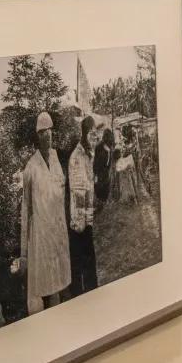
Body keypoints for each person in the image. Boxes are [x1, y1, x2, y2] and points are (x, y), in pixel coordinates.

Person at [19, 111, 71, 311]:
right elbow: (26, 209)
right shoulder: (31, 168)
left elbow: (61, 195)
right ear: (37, 136)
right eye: (42, 132)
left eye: (49, 130)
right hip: (40, 237)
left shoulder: (57, 160)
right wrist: (23, 252)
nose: (47, 135)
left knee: (58, 285)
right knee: (39, 292)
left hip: (57, 234)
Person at [67, 115, 98, 298]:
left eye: (96, 134)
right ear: (85, 133)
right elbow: (78, 193)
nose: (95, 138)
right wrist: (83, 223)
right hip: (79, 223)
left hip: (86, 220)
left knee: (88, 265)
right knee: (81, 265)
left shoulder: (87, 155)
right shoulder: (78, 157)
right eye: (92, 134)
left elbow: (88, 189)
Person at [94, 125, 115, 206]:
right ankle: (100, 202)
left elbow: (110, 161)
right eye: (107, 137)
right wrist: (95, 174)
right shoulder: (99, 147)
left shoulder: (110, 147)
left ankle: (103, 202)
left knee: (106, 186)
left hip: (106, 171)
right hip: (100, 171)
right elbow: (96, 162)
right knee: (100, 187)